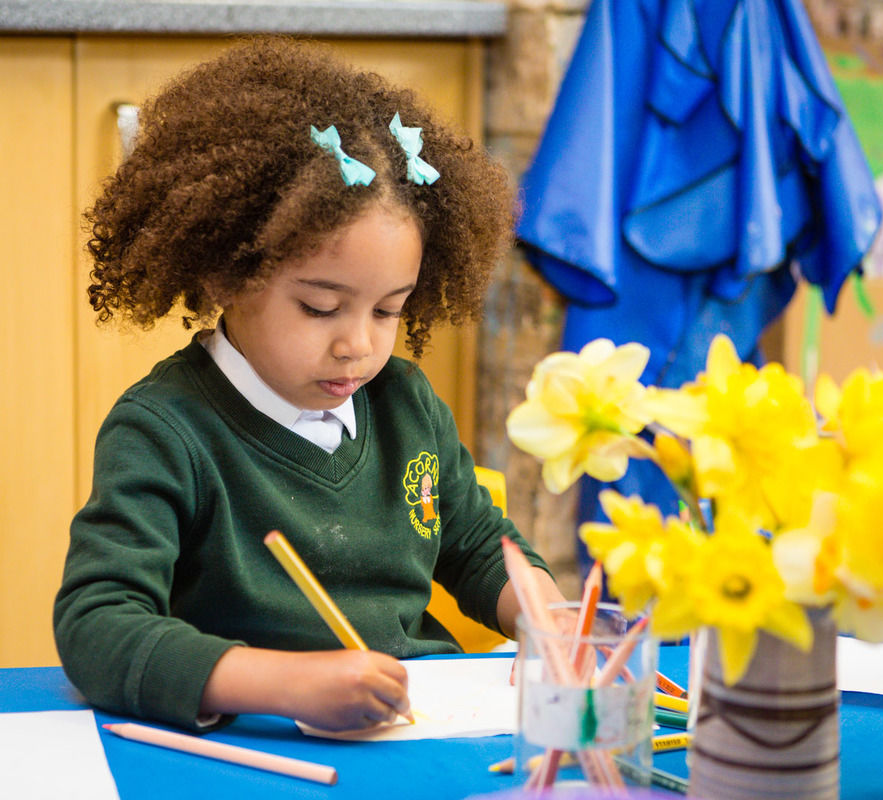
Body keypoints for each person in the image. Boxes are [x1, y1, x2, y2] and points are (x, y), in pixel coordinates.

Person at [53, 36, 564, 734]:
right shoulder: (164, 430)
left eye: (389, 310)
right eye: (321, 308)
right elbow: (97, 627)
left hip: (415, 727)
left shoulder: (405, 403)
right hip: (252, 742)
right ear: (225, 273)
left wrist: (546, 613)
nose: (358, 344)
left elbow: (476, 544)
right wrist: (283, 684)